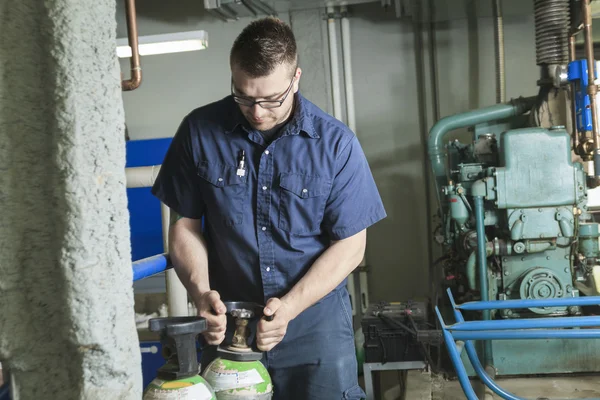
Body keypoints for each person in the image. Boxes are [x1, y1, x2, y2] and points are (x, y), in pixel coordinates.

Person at [151, 16, 386, 400]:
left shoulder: (336, 145)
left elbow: (351, 244)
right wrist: (200, 292)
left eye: (271, 99)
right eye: (244, 96)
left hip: (315, 331)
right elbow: (185, 226)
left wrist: (290, 307)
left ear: (295, 78)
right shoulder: (198, 131)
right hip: (228, 328)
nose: (257, 112)